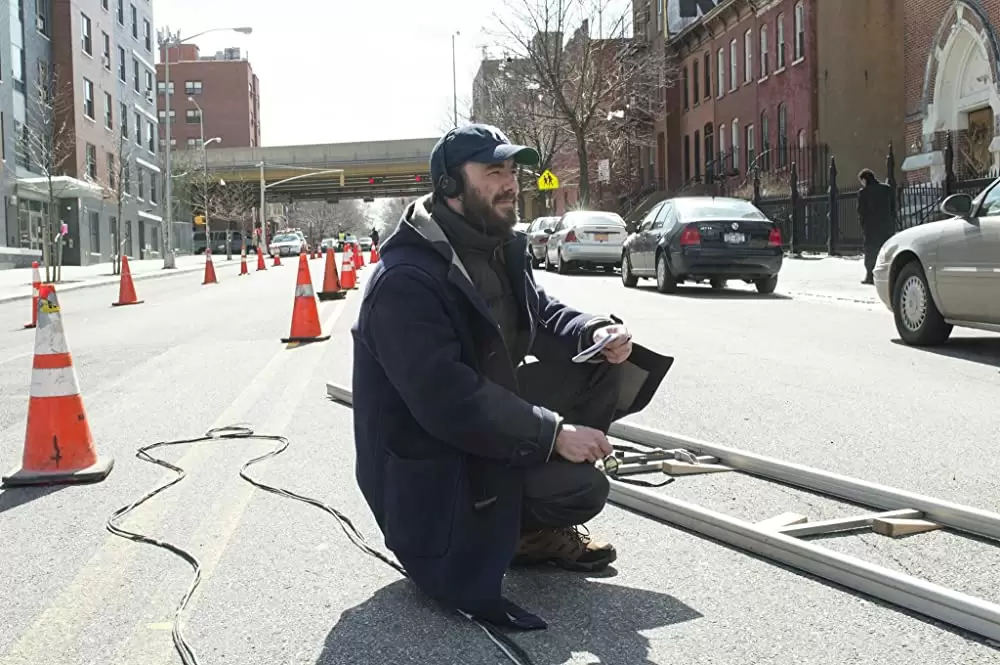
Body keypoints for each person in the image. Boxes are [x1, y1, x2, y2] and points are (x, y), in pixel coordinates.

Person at [350, 123, 671, 631]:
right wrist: (553, 434)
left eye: (512, 172)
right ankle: (501, 524)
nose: (509, 184)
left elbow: (539, 312)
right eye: (493, 171)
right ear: (450, 185)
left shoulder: (495, 245)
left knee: (602, 366)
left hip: (477, 430)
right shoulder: (405, 280)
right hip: (431, 468)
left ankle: (523, 531)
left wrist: (594, 331)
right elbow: (448, 398)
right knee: (582, 488)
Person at [857, 168, 895, 284]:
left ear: (864, 179)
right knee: (887, 251)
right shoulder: (886, 189)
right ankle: (889, 275)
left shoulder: (864, 193)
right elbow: (893, 207)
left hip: (871, 228)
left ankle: (870, 276)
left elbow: (861, 211)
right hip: (886, 226)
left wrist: (863, 225)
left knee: (871, 252)